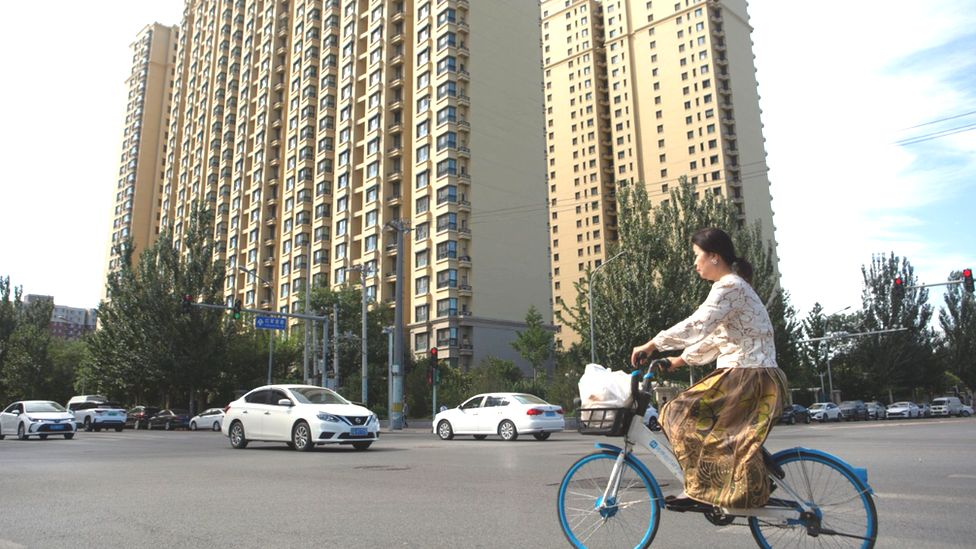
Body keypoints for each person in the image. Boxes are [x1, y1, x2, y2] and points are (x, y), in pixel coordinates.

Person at [630, 227, 786, 510]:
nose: (695, 263)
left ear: (714, 256)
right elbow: (717, 338)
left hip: (747, 375)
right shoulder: (736, 287)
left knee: (676, 412)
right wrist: (679, 360)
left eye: (697, 255)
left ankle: (701, 489)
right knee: (707, 426)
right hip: (753, 374)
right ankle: (748, 471)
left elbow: (698, 324)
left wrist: (653, 344)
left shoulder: (729, 286)